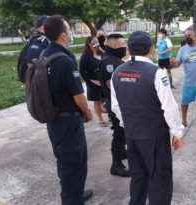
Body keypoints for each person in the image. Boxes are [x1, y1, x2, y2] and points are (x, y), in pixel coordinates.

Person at [111, 31, 184, 205]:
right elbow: (169, 107)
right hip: (154, 136)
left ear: (128, 49)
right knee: (159, 178)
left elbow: (115, 106)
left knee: (138, 176)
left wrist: (127, 123)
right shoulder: (156, 73)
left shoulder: (117, 72)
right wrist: (177, 132)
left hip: (132, 133)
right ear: (151, 49)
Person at [43, 15, 93, 205]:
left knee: (63, 160)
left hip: (53, 118)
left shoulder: (45, 54)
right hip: (68, 120)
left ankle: (72, 195)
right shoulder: (65, 60)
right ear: (63, 35)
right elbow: (78, 96)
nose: (71, 33)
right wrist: (87, 113)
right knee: (76, 162)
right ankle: (72, 200)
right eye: (70, 30)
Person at [99, 33, 129, 177]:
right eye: (123, 45)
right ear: (115, 46)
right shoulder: (109, 63)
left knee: (122, 133)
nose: (126, 47)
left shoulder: (115, 60)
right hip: (115, 105)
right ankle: (116, 165)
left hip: (120, 103)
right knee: (119, 133)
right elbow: (112, 86)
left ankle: (122, 152)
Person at [79, 36, 107, 127]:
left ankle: (110, 115)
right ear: (88, 44)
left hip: (104, 83)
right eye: (94, 42)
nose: (96, 44)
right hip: (94, 83)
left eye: (97, 42)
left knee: (108, 99)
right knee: (97, 101)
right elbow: (82, 72)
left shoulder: (102, 53)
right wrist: (89, 83)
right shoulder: (85, 57)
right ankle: (100, 119)